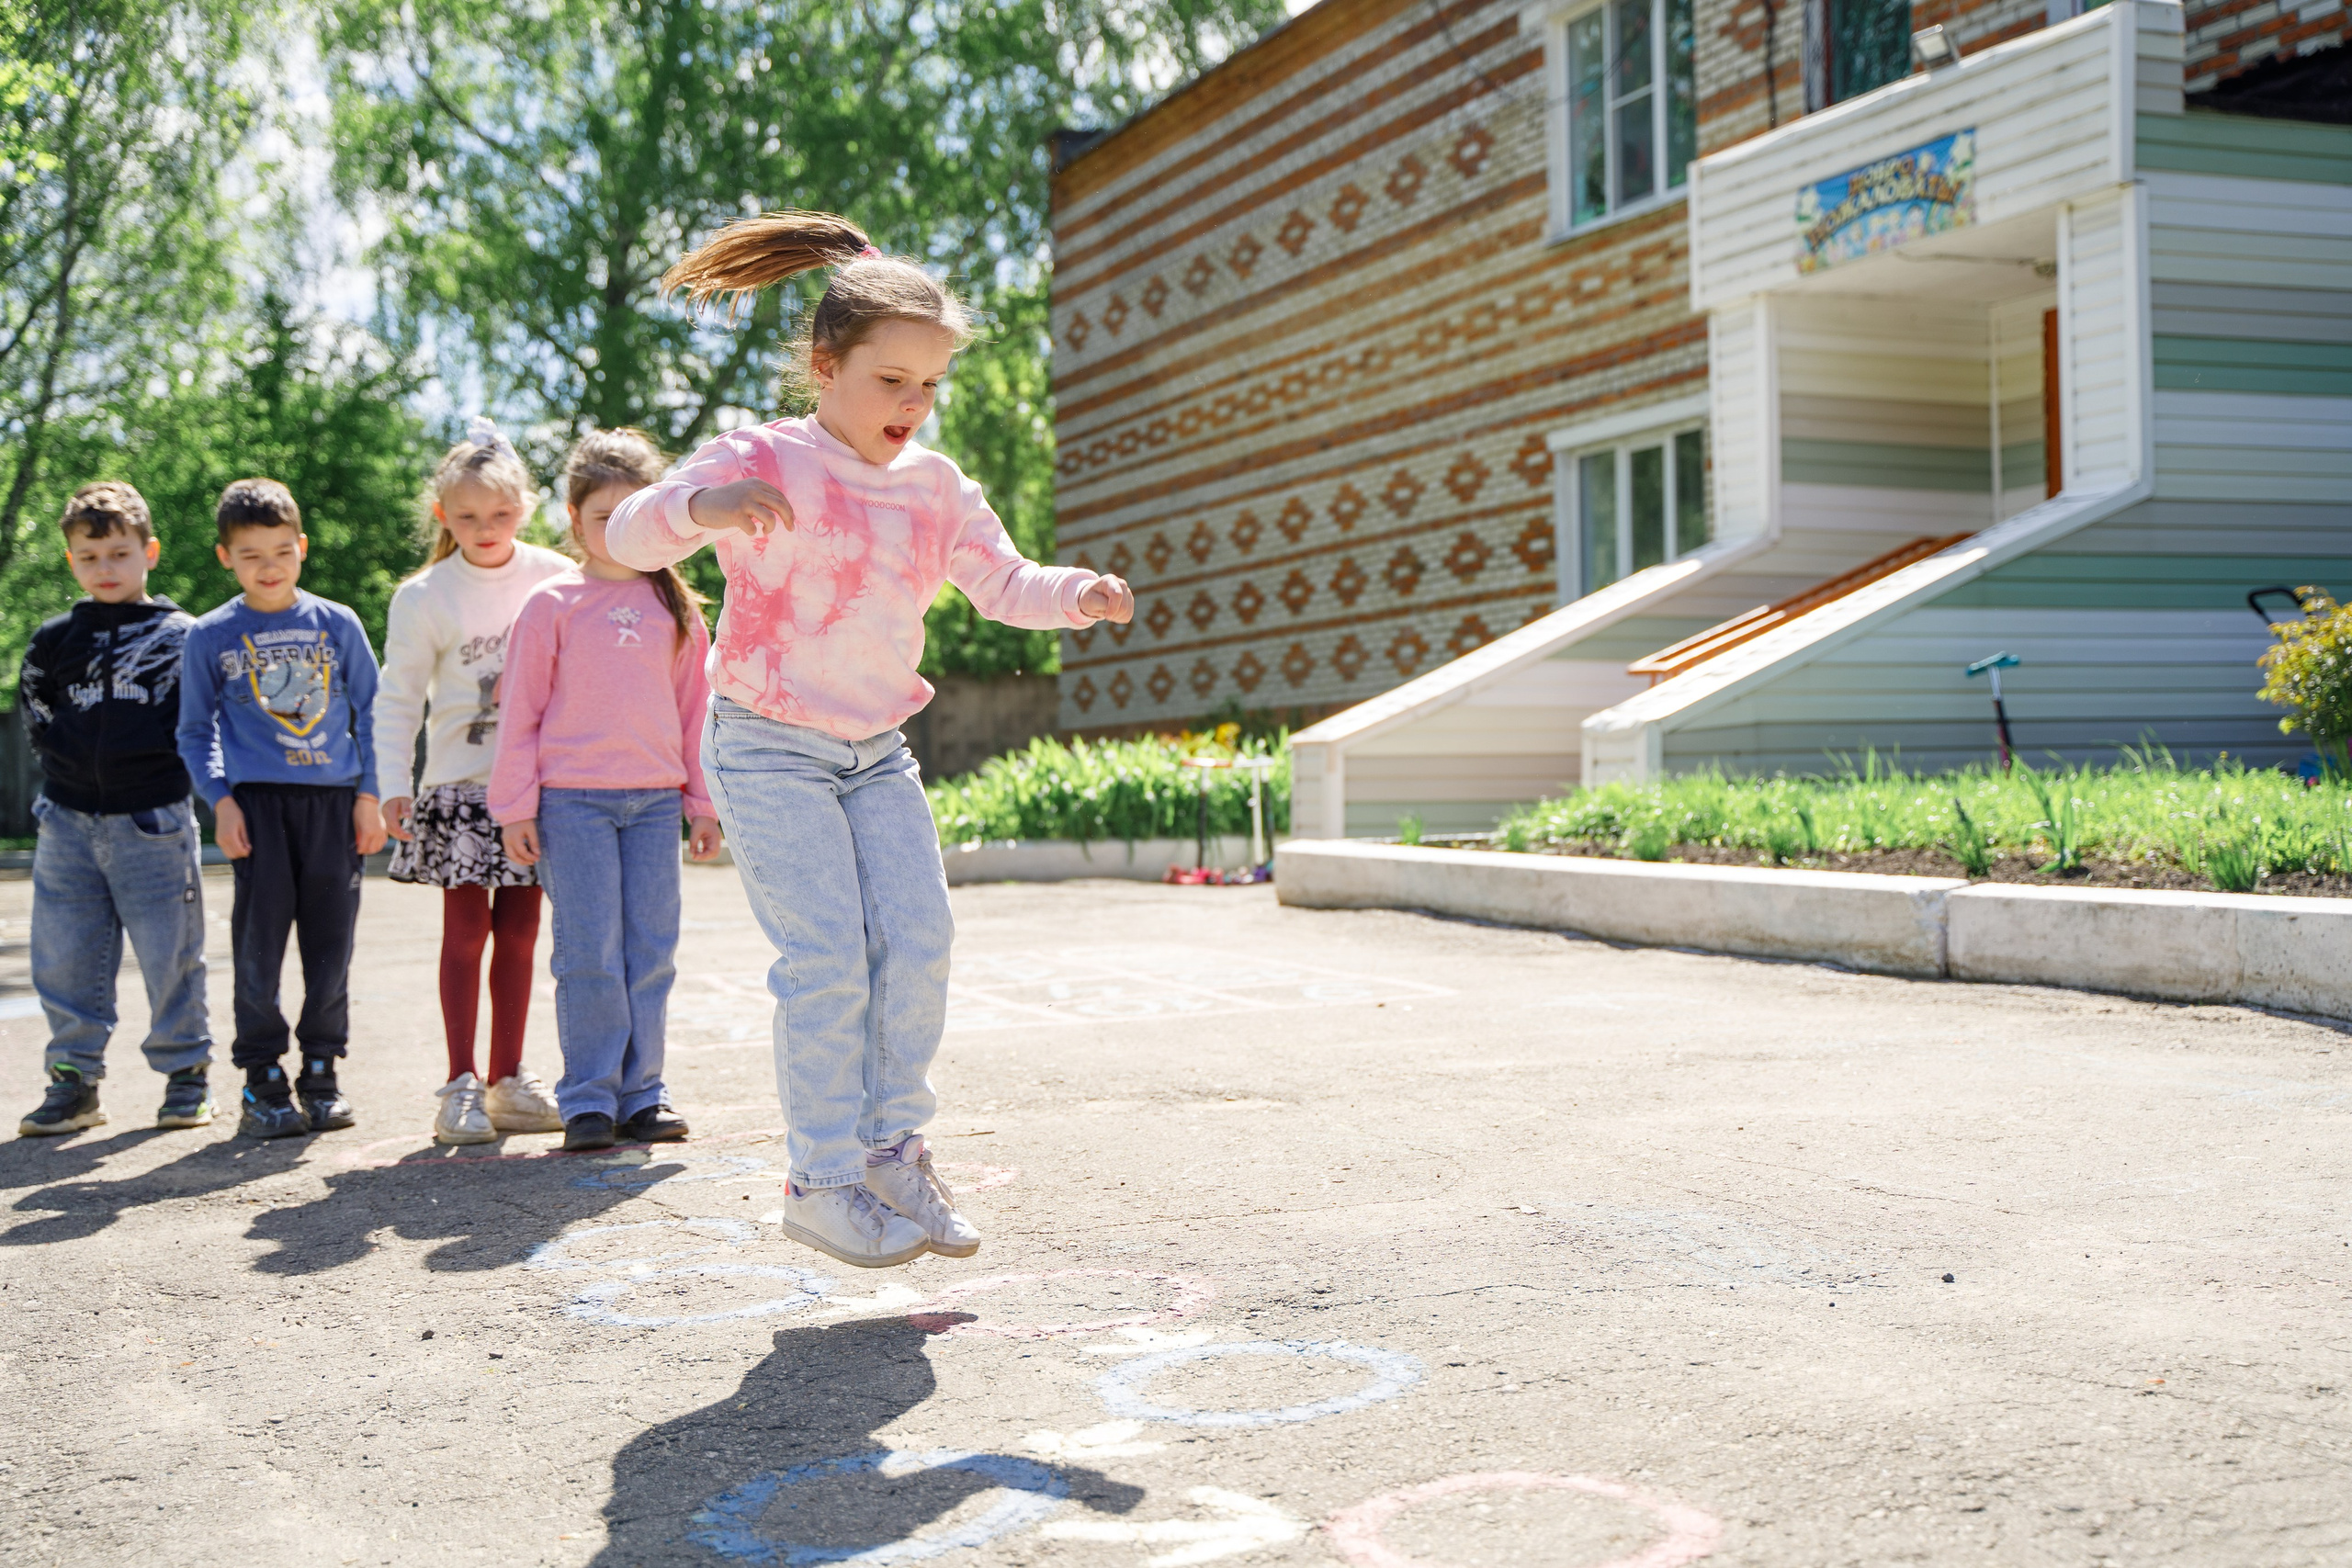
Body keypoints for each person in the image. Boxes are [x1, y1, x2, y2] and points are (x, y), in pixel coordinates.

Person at [605, 211, 1134, 1269]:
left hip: (875, 750)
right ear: (824, 366)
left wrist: (1075, 595)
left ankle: (893, 1150)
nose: (913, 405)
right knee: (828, 956)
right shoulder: (765, 456)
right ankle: (823, 1179)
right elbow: (627, 532)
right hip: (765, 742)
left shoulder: (937, 488)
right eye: (891, 380)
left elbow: (1003, 579)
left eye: (929, 386)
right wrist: (707, 503)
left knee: (919, 940)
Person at [489, 427, 724, 1156]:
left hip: (655, 803)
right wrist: (515, 806)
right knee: (590, 951)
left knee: (650, 950)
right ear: (573, 519)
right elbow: (520, 710)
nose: (617, 532)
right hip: (574, 804)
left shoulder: (678, 609)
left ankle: (642, 1094)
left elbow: (697, 714)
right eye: (602, 518)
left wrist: (703, 802)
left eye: (634, 516)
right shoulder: (550, 602)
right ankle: (589, 1097)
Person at [376, 419, 573, 1145]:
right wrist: (393, 782)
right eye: (465, 517)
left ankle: (508, 1081)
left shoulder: (555, 576)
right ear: (442, 515)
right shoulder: (424, 594)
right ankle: (459, 1084)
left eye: (499, 514)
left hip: (534, 787)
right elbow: (398, 696)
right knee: (465, 932)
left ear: (526, 507)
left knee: (521, 932)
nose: (484, 528)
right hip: (459, 791)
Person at [175, 478, 386, 1139]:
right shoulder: (212, 635)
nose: (268, 567)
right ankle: (262, 1075)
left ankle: (321, 1070)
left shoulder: (337, 622)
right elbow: (192, 729)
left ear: (302, 547)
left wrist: (371, 794)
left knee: (331, 946)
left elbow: (377, 711)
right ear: (225, 558)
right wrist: (221, 799)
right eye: (250, 555)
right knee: (258, 949)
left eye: (280, 551)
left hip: (334, 804)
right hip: (257, 807)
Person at [16, 482, 214, 1136]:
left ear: (148, 553)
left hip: (151, 819)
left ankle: (186, 1074)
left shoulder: (179, 636)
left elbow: (194, 719)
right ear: (71, 559)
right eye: (89, 555)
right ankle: (74, 1081)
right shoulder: (53, 641)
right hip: (67, 820)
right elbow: (37, 712)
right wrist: (71, 759)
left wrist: (152, 760)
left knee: (171, 952)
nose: (105, 568)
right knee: (63, 954)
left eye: (119, 553)